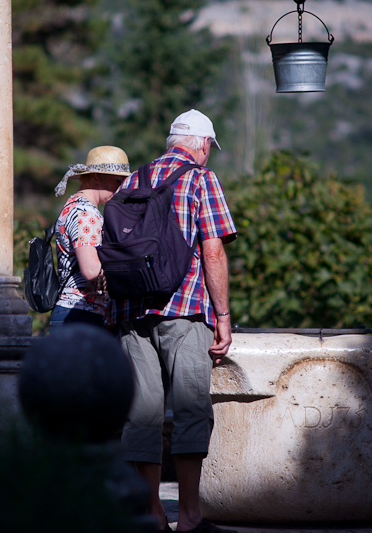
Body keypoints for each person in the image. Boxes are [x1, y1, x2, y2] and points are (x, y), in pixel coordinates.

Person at [114, 110, 237, 533]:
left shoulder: (133, 180)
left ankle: (151, 515)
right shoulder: (201, 179)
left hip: (131, 312)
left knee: (142, 415)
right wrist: (222, 316)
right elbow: (213, 251)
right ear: (203, 144)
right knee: (190, 409)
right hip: (185, 309)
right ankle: (189, 516)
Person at [49, 146, 131, 332]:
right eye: (117, 181)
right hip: (82, 315)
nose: (120, 189)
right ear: (96, 177)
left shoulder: (73, 205)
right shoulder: (85, 213)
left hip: (73, 314)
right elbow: (92, 270)